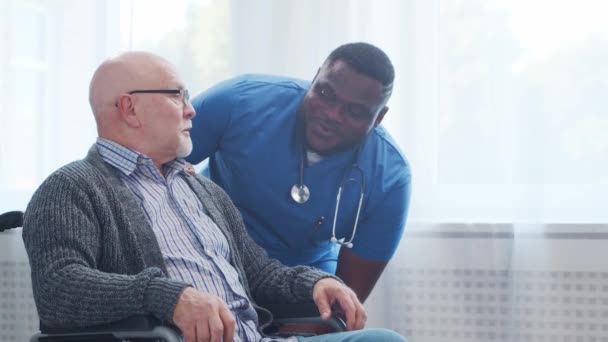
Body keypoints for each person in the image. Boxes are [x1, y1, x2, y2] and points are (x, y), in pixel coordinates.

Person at [22, 51, 406, 342]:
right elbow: (60, 287)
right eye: (177, 96)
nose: (192, 109)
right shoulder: (72, 186)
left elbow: (259, 272)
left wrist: (315, 284)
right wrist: (169, 296)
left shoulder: (203, 191)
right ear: (130, 108)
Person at [186, 42, 411, 302]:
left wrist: (291, 334)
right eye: (326, 93)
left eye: (355, 111)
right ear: (314, 79)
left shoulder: (391, 177)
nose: (332, 115)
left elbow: (345, 300)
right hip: (208, 253)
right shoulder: (239, 100)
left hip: (303, 281)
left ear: (378, 118)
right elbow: (146, 163)